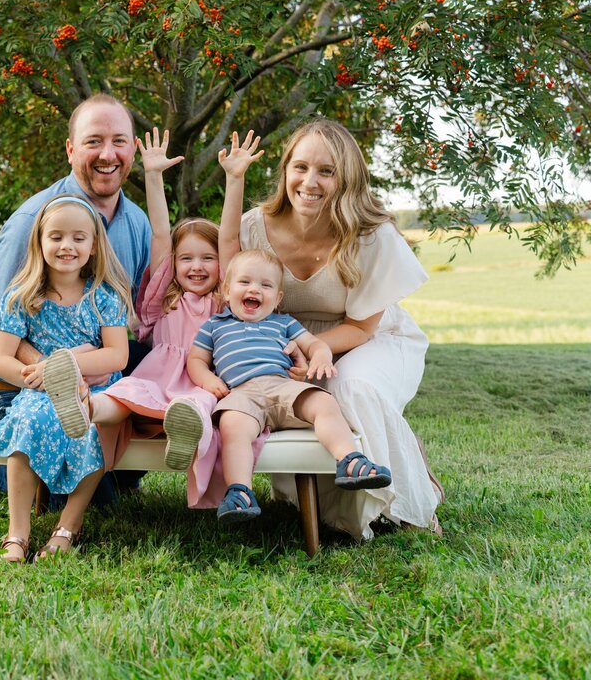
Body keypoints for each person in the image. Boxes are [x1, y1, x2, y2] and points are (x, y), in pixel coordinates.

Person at [222, 117, 442, 538]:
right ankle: (340, 512)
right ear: (285, 170)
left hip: (370, 337)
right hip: (290, 341)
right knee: (292, 397)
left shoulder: (370, 234)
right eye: (300, 167)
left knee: (349, 387)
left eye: (327, 171)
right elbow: (230, 272)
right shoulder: (255, 226)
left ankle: (410, 503)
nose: (310, 181)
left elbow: (360, 327)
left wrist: (314, 347)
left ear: (347, 179)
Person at [0, 93, 151, 504]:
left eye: (119, 141)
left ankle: (115, 471)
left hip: (97, 381)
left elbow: (136, 322)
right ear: (71, 150)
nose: (108, 154)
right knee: (74, 496)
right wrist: (55, 370)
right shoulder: (35, 222)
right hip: (18, 382)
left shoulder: (136, 223)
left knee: (112, 480)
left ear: (134, 149)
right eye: (93, 141)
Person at [44, 128, 263, 509]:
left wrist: (235, 178)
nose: (197, 267)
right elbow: (161, 233)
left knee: (199, 405)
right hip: (156, 376)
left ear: (222, 267)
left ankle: (183, 436)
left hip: (200, 381)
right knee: (124, 393)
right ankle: (85, 411)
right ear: (172, 265)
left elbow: (229, 238)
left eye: (207, 259)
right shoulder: (163, 297)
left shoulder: (223, 298)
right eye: (187, 259)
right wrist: (153, 174)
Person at [0, 195, 134, 561]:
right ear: (40, 242)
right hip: (39, 390)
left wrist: (69, 366)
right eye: (57, 237)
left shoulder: (103, 296)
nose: (67, 246)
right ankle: (17, 535)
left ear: (94, 246)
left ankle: (68, 526)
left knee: (90, 426)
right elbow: (1, 359)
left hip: (92, 387)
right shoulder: (21, 296)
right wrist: (38, 377)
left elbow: (118, 356)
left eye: (79, 238)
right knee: (28, 423)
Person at [187, 248, 394, 522]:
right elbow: (196, 360)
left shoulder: (283, 322)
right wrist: (208, 379)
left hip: (283, 387)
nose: (255, 289)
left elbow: (314, 343)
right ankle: (240, 491)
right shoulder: (214, 326)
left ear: (278, 298)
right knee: (232, 427)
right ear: (226, 291)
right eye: (245, 282)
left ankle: (350, 460)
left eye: (266, 285)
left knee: (324, 403)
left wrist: (320, 356)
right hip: (242, 393)